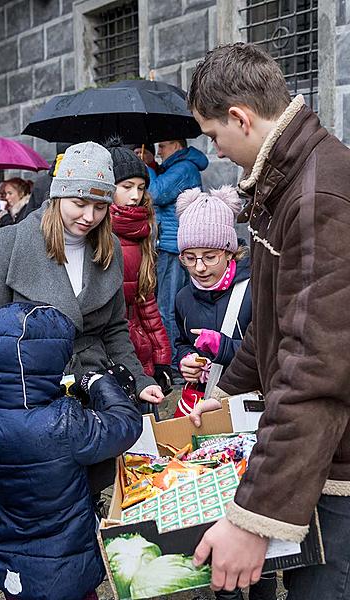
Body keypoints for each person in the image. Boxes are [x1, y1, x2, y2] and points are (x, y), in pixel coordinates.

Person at [187, 42, 350, 600]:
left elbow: (316, 370)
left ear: (240, 117)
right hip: (315, 455)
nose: (215, 150)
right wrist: (227, 391)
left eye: (213, 135)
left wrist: (251, 518)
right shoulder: (286, 182)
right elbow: (275, 321)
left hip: (338, 464)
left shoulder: (317, 193)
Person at [0, 142, 163, 411]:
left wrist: (140, 380)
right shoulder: (9, 243)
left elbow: (116, 329)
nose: (89, 217)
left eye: (100, 207)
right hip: (26, 392)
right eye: (79, 203)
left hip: (94, 389)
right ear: (58, 196)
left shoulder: (111, 247)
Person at [0, 302, 142, 600]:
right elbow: (125, 424)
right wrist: (99, 383)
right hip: (66, 567)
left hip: (13, 561)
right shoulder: (64, 423)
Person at [174, 187, 251, 414]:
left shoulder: (254, 290)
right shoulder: (183, 298)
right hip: (203, 404)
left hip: (245, 404)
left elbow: (269, 351)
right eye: (189, 258)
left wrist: (223, 346)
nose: (199, 267)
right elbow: (182, 342)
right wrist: (186, 360)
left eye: (210, 257)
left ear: (229, 253)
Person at [107, 140, 173, 396]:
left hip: (137, 349)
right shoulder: (91, 233)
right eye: (126, 187)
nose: (135, 195)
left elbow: (146, 301)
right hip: (105, 353)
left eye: (141, 187)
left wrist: (161, 357)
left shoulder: (143, 230)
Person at [148, 139, 208, 369]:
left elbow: (155, 193)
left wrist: (146, 166)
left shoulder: (183, 168)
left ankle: (174, 364)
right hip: (172, 245)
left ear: (175, 145)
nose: (159, 151)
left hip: (173, 248)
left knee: (168, 307)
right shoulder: (177, 167)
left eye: (162, 146)